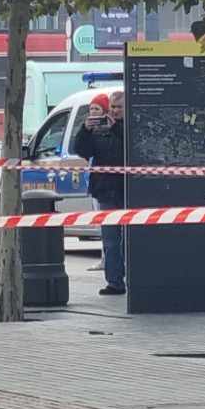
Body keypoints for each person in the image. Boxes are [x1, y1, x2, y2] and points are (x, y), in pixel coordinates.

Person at [72, 90, 127, 296]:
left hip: (130, 190)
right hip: (106, 190)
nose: (114, 111)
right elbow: (82, 151)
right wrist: (85, 130)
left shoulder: (130, 127)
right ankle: (114, 282)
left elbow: (132, 147)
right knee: (111, 240)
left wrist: (116, 129)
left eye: (119, 107)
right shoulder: (98, 130)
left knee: (130, 239)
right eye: (112, 107)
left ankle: (133, 278)